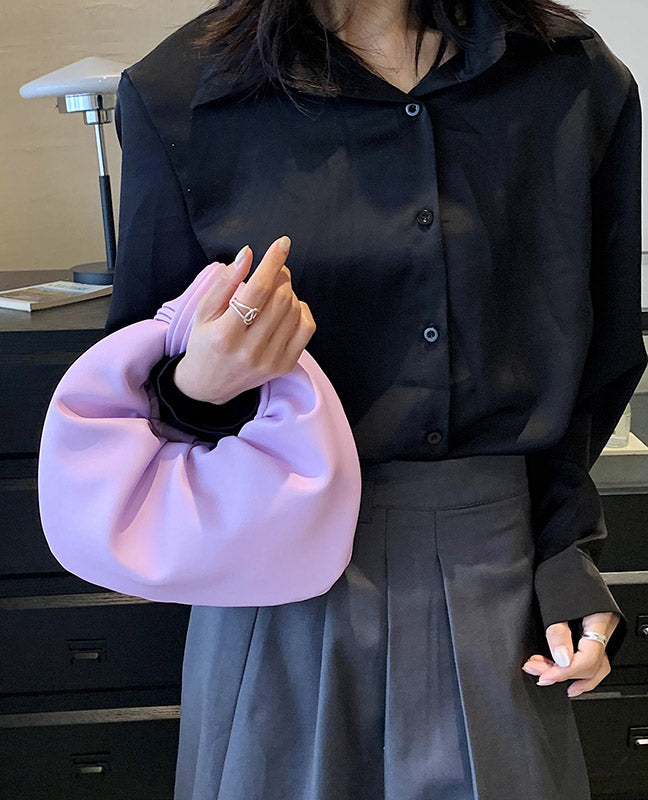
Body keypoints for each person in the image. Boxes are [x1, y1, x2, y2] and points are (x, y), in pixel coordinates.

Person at [103, 1, 647, 797]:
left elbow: (597, 363)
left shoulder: (571, 78)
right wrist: (202, 384)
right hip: (275, 591)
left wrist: (568, 559)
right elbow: (143, 379)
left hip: (493, 586)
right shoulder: (182, 92)